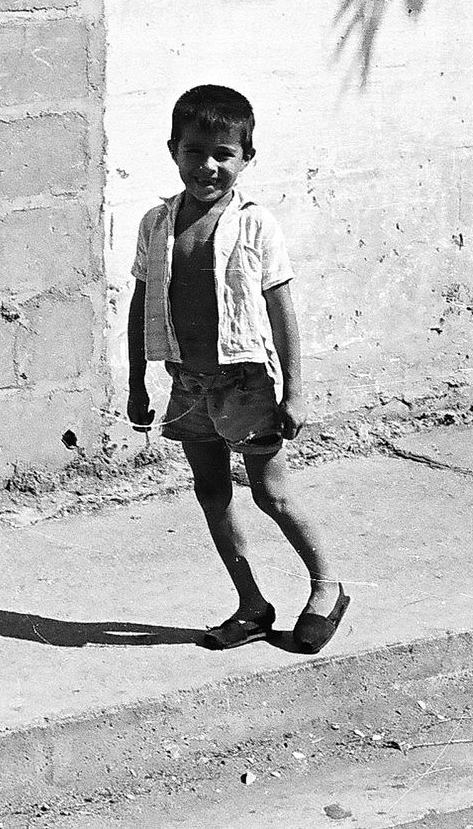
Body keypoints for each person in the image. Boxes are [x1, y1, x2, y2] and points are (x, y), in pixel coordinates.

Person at [126, 86, 349, 654]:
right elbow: (142, 298)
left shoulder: (256, 225)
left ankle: (328, 585)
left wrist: (295, 391)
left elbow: (282, 310)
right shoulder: (156, 224)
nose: (208, 166)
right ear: (173, 149)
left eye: (224, 153)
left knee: (269, 493)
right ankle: (252, 604)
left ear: (246, 158)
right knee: (211, 492)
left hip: (246, 384)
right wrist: (135, 380)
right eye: (195, 151)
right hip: (187, 383)